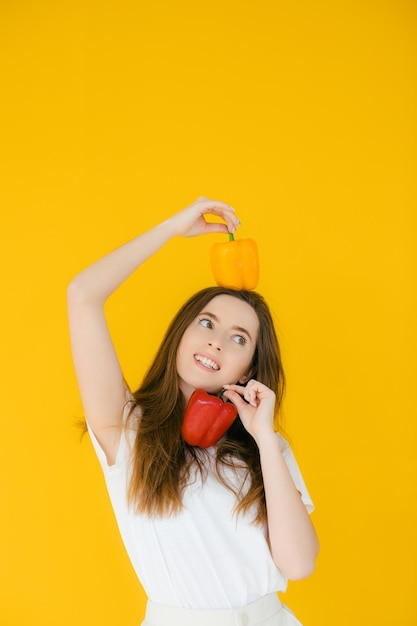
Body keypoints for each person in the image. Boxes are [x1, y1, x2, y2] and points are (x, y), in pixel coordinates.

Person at [67, 196, 319, 626]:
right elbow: (83, 295)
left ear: (250, 369)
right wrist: (170, 230)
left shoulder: (266, 449)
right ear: (181, 333)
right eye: (206, 323)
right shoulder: (127, 428)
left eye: (239, 339)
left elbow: (298, 565)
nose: (216, 342)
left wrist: (265, 441)